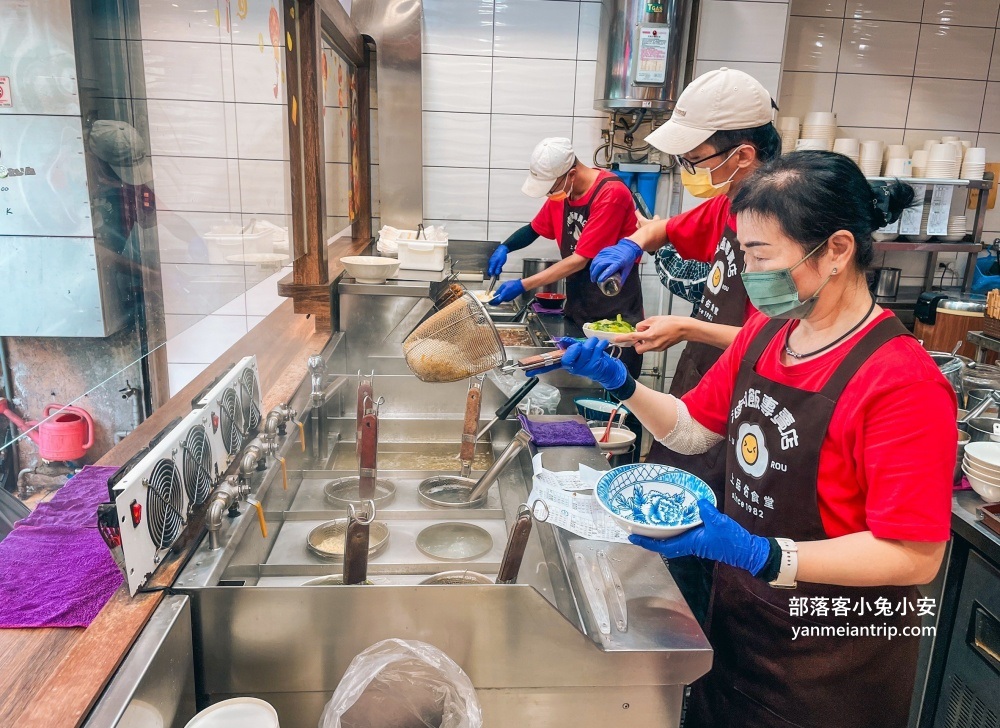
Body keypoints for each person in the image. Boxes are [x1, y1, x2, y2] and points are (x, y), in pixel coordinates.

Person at [542, 151, 956, 728]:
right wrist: (623, 384)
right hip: (740, 624)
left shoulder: (901, 381)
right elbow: (691, 431)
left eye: (760, 254)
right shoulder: (769, 330)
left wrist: (763, 553)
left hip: (827, 665)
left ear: (836, 250)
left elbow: (914, 556)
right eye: (742, 251)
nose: (747, 269)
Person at [590, 67, 782, 622]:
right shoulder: (730, 203)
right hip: (700, 389)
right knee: (672, 527)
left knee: (710, 544)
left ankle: (694, 652)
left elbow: (786, 339)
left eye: (694, 159)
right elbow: (664, 229)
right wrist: (632, 243)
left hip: (749, 407)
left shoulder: (779, 220)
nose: (689, 171)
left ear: (741, 154)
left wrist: (687, 328)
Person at [487, 137, 644, 377]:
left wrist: (523, 284)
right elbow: (534, 229)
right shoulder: (562, 195)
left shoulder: (610, 194)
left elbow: (580, 259)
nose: (549, 194)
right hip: (580, 300)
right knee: (580, 376)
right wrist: (505, 247)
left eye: (551, 187)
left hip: (614, 303)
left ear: (571, 174)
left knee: (612, 384)